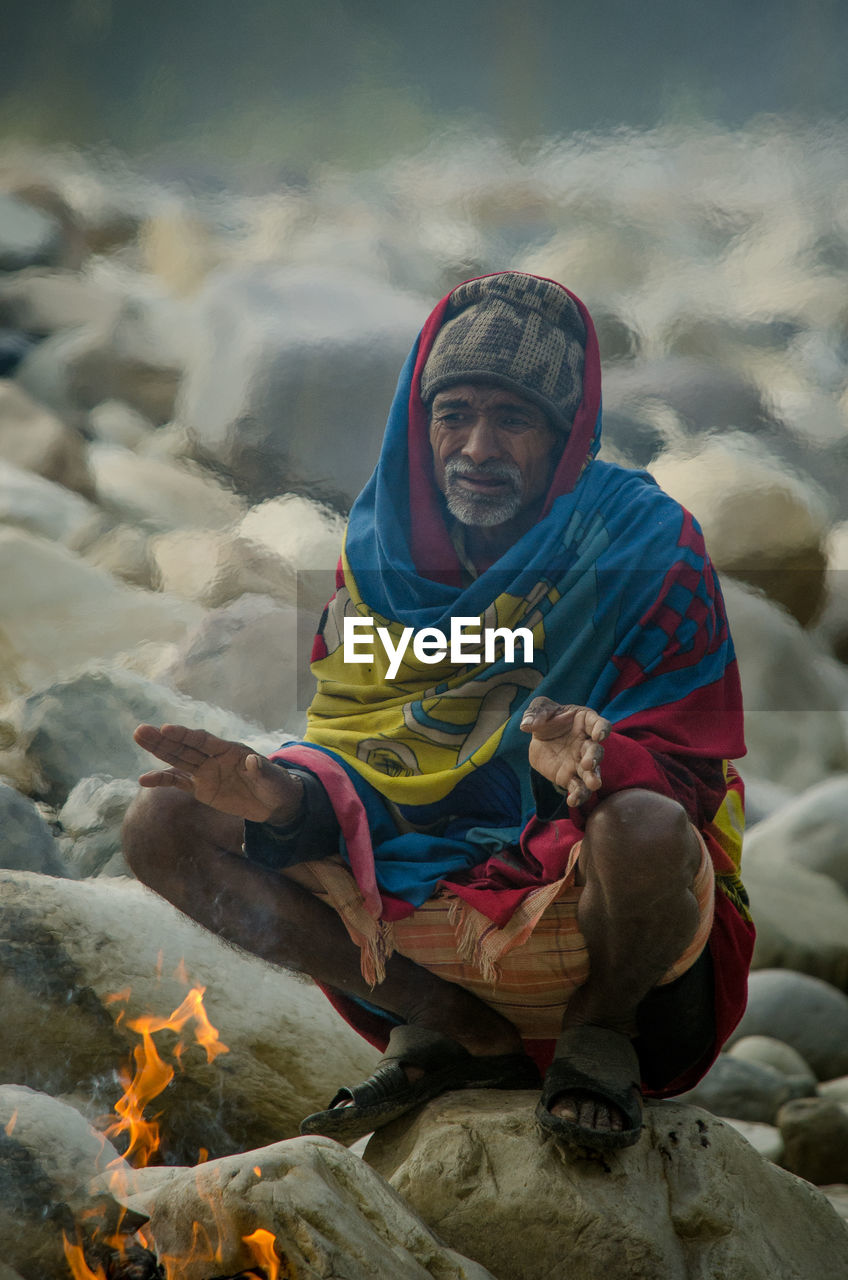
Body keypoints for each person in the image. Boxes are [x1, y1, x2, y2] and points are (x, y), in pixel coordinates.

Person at [124, 271, 754, 1153]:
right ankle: (453, 1028)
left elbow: (691, 756)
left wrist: (603, 760)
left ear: (567, 435)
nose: (478, 446)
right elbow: (362, 749)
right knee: (161, 821)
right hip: (419, 932)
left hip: (615, 943)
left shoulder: (646, 543)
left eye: (514, 419)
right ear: (420, 424)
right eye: (454, 413)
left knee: (645, 825)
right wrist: (280, 796)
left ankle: (596, 1037)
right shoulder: (378, 555)